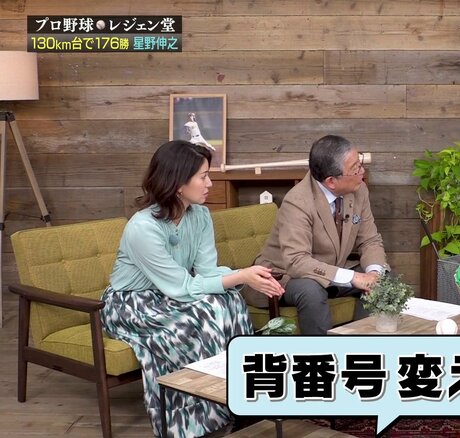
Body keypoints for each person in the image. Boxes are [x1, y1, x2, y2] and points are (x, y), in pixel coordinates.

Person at [100, 140, 284, 438]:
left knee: (231, 301)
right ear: (177, 183)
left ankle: (241, 397)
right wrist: (241, 275)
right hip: (131, 304)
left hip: (170, 295)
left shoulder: (199, 215)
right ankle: (197, 417)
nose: (210, 183)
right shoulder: (142, 228)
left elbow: (208, 272)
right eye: (203, 176)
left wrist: (246, 276)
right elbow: (182, 287)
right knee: (203, 314)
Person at [254, 134, 387, 334]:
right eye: (355, 168)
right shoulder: (298, 202)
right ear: (331, 181)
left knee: (384, 279)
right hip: (287, 275)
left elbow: (370, 240)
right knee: (311, 291)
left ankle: (361, 344)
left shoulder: (358, 189)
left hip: (332, 269)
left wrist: (374, 275)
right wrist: (354, 277)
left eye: (360, 163)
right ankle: (321, 350)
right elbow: (297, 261)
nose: (362, 171)